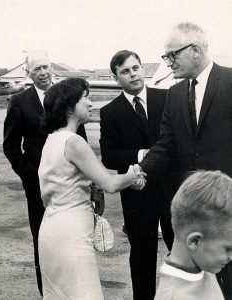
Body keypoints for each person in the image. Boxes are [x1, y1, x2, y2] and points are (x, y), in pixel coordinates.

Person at [138, 21, 232, 299]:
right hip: (195, 213)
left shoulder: (230, 82)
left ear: (195, 50)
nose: (168, 62)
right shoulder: (175, 93)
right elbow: (165, 145)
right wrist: (138, 173)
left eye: (172, 55)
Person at [38, 77, 144, 299]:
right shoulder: (74, 142)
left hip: (51, 230)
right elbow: (111, 183)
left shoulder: (51, 140)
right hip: (72, 234)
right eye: (85, 98)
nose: (91, 104)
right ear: (69, 107)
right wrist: (135, 172)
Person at [3, 51, 88, 295]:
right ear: (28, 73)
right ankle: (48, 293)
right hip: (38, 185)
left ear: (52, 68)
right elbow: (10, 145)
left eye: (46, 67)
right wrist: (29, 176)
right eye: (36, 69)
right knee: (43, 240)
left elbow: (78, 134)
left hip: (70, 181)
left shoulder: (65, 94)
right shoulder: (19, 101)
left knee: (73, 238)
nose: (42, 73)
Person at [100, 50, 177, 300]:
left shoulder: (167, 98)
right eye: (125, 71)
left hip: (171, 190)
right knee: (142, 257)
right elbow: (110, 156)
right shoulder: (110, 112)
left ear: (142, 69)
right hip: (136, 194)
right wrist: (142, 154)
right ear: (116, 78)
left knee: (180, 254)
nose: (133, 74)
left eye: (136, 68)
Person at [155, 170, 232, 300]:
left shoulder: (202, 263)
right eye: (228, 249)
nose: (231, 257)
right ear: (195, 242)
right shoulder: (174, 296)